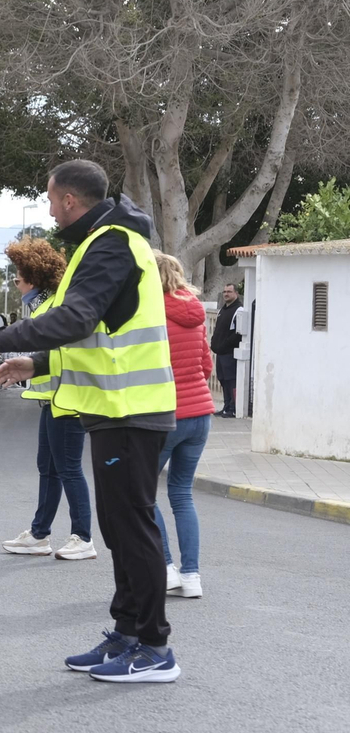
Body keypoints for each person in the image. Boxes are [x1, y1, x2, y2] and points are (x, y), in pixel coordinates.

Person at [0, 158, 180, 683]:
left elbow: (76, 317)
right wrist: (33, 362)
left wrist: (1, 339)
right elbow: (94, 334)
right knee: (119, 529)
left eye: (51, 200)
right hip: (114, 410)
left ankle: (155, 648)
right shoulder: (103, 243)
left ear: (69, 201)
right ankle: (127, 635)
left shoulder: (113, 243)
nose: (50, 210)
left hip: (131, 410)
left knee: (132, 528)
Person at [0, 236, 95, 561]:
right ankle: (40, 534)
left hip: (67, 399)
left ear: (33, 279)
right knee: (49, 468)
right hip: (53, 399)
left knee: (68, 469)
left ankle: (83, 537)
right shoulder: (43, 306)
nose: (15, 284)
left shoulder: (52, 308)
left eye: (17, 278)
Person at [154, 252, 215, 598]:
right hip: (200, 415)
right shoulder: (195, 313)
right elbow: (206, 366)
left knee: (142, 493)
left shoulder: (152, 314)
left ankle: (164, 569)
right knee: (181, 494)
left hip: (166, 416)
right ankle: (192, 576)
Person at [211, 282, 244, 417]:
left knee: (231, 380)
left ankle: (232, 408)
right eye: (224, 291)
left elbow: (238, 333)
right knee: (223, 380)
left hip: (230, 353)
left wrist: (225, 345)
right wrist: (214, 343)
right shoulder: (222, 310)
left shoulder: (239, 310)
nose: (226, 294)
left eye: (229, 291)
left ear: (236, 293)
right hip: (220, 353)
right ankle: (225, 406)